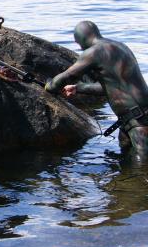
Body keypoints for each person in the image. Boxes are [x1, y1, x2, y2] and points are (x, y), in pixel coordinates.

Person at [45, 20, 148, 155]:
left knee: (141, 163)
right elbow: (109, 88)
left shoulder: (94, 52)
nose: (81, 48)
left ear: (82, 39)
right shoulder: (120, 46)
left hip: (139, 119)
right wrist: (78, 88)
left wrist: (50, 86)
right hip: (133, 117)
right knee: (125, 156)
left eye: (78, 43)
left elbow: (68, 76)